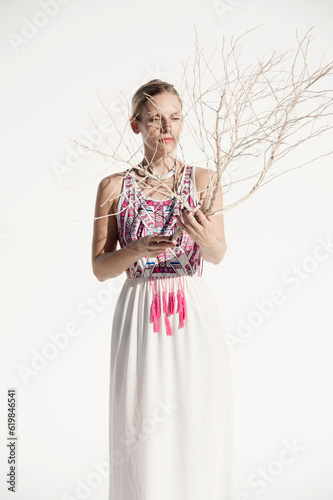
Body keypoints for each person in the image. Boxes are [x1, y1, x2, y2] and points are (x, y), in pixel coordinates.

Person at [91, 79, 234, 500]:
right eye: (154, 119)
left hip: (192, 310)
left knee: (197, 416)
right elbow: (100, 268)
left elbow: (218, 254)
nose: (165, 127)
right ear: (136, 125)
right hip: (139, 310)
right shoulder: (113, 188)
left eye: (174, 118)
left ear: (183, 122)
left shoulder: (204, 180)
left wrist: (204, 236)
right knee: (140, 421)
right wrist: (134, 249)